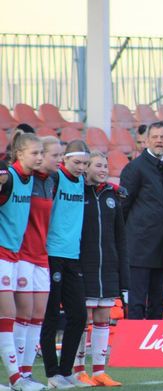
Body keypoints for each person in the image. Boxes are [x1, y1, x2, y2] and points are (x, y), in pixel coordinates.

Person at [73, 151, 129, 386]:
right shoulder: (77, 193)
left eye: (105, 166)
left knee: (103, 315)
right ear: (86, 168)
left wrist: (122, 270)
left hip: (107, 266)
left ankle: (99, 371)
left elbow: (120, 236)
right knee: (82, 317)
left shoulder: (112, 196)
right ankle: (78, 370)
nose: (103, 169)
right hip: (84, 264)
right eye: (98, 165)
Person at [40, 140, 91, 388]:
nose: (81, 167)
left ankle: (66, 370)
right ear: (65, 160)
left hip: (73, 255)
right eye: (77, 162)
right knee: (51, 315)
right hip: (52, 254)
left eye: (84, 163)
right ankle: (52, 373)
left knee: (79, 315)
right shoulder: (56, 179)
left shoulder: (82, 181)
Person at [15, 136, 62, 387]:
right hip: (22, 254)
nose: (56, 160)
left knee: (38, 316)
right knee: (22, 314)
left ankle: (26, 372)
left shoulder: (51, 181)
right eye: (53, 155)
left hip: (42, 256)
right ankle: (16, 374)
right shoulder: (24, 179)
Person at [0, 132, 44, 391]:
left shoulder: (31, 179)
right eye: (34, 153)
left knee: (14, 315)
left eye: (41, 153)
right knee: (7, 315)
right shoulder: (8, 178)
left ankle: (17, 376)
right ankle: (16, 378)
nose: (39, 157)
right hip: (1, 253)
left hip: (14, 255)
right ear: (19, 154)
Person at [120, 121, 163, 320]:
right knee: (136, 303)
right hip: (139, 249)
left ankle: (153, 339)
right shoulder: (134, 168)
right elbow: (123, 207)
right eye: (155, 137)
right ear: (146, 141)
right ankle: (135, 340)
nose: (159, 140)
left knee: (157, 304)